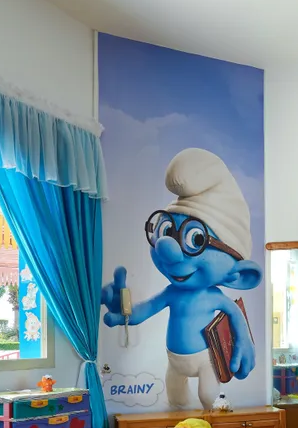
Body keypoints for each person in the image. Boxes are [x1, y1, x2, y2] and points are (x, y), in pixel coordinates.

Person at [101, 148, 262, 409]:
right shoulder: (171, 293)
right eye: (165, 231)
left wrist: (245, 342)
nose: (167, 248)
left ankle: (211, 425)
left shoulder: (214, 297)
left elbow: (235, 316)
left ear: (239, 275)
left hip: (205, 360)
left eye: (195, 239)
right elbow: (145, 310)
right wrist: (124, 311)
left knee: (208, 396)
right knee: (176, 399)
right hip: (174, 361)